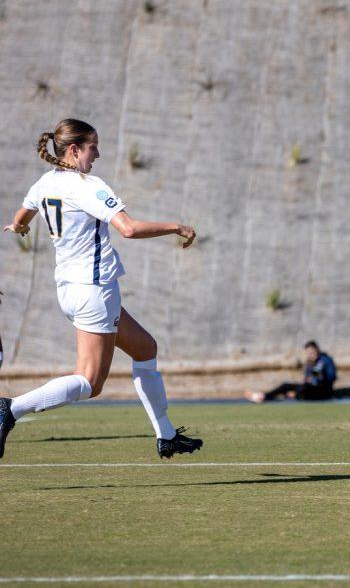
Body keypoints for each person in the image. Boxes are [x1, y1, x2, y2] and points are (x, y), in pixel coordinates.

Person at [0, 119, 202, 460]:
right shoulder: (87, 185)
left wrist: (18, 227)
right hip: (94, 290)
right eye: (93, 147)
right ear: (74, 149)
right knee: (90, 383)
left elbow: (22, 218)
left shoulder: (45, 183)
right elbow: (129, 228)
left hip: (71, 289)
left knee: (145, 349)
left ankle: (166, 435)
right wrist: (176, 226)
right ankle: (11, 408)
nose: (98, 154)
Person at [246, 340, 337, 403]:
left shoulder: (326, 360)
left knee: (304, 388)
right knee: (286, 385)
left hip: (323, 391)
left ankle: (293, 395)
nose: (311, 355)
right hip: (308, 388)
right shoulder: (309, 363)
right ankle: (263, 396)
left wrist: (320, 377)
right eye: (309, 353)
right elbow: (307, 379)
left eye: (312, 352)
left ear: (317, 350)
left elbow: (332, 377)